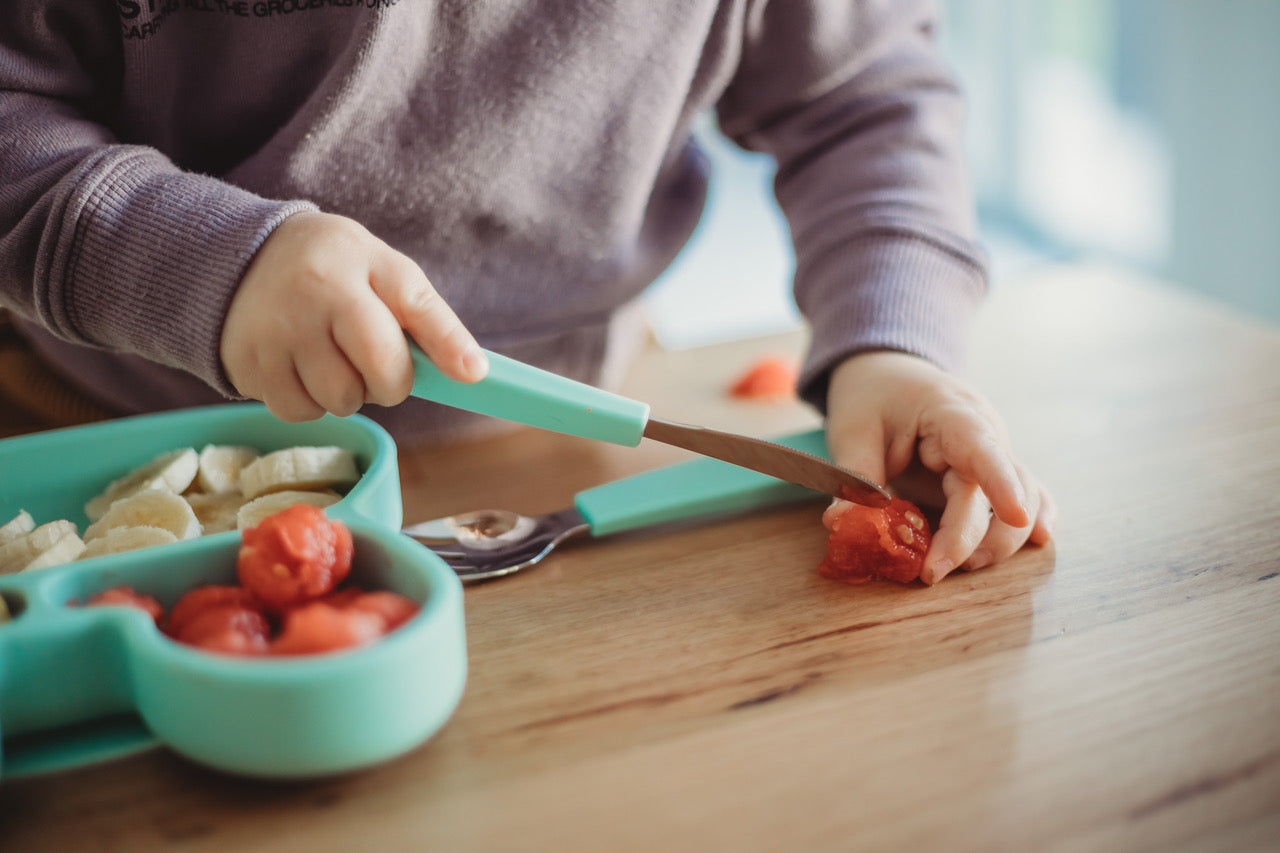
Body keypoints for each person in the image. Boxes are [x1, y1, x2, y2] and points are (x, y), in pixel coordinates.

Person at [0, 0, 1054, 584]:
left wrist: (895, 341)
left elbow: (864, 99)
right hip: (113, 442)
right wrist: (203, 263)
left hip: (574, 424)